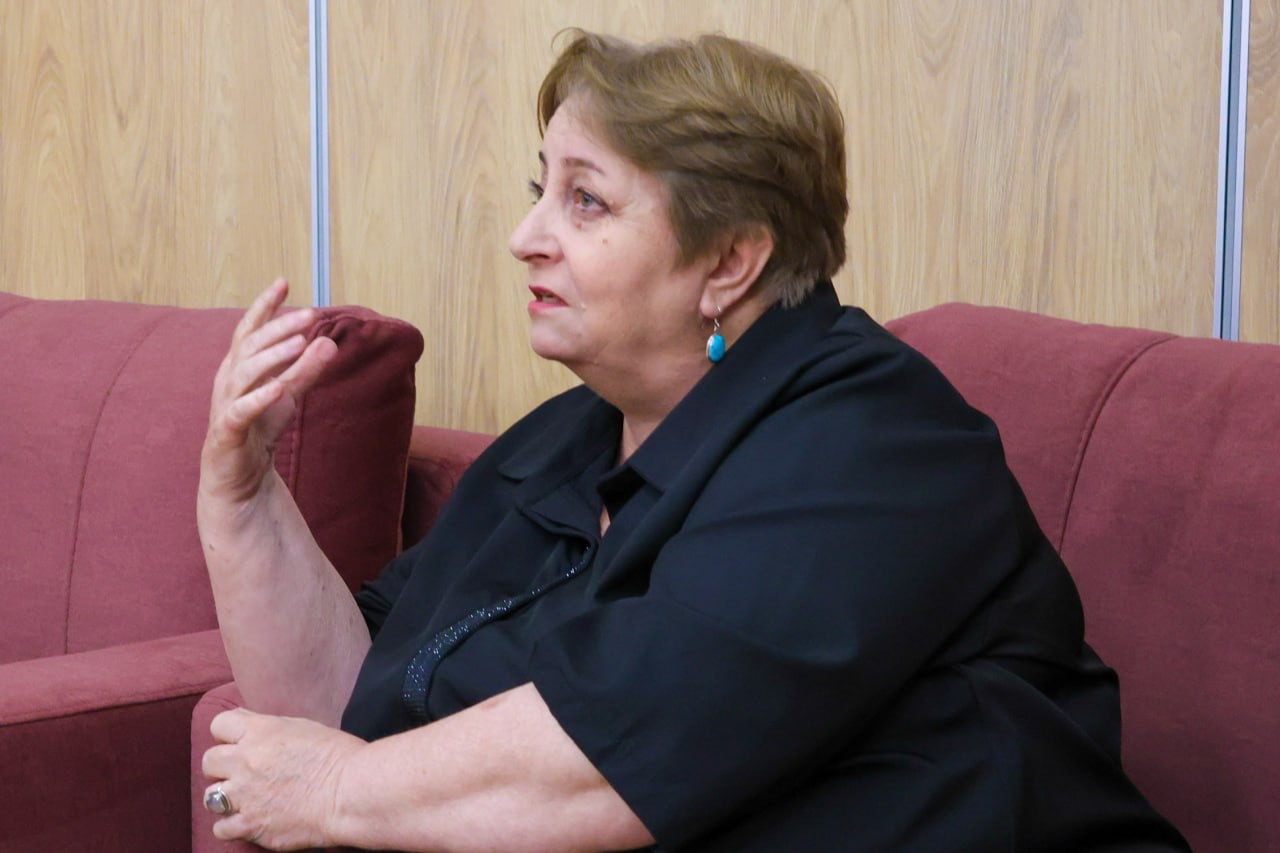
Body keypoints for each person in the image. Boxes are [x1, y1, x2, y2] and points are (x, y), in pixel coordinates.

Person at [197, 29, 1187, 852]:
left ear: (728, 260)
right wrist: (243, 499)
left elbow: (617, 756)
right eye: (539, 188)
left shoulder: (872, 442)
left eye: (585, 201)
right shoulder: (566, 440)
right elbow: (352, 708)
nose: (525, 235)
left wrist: (338, 791)